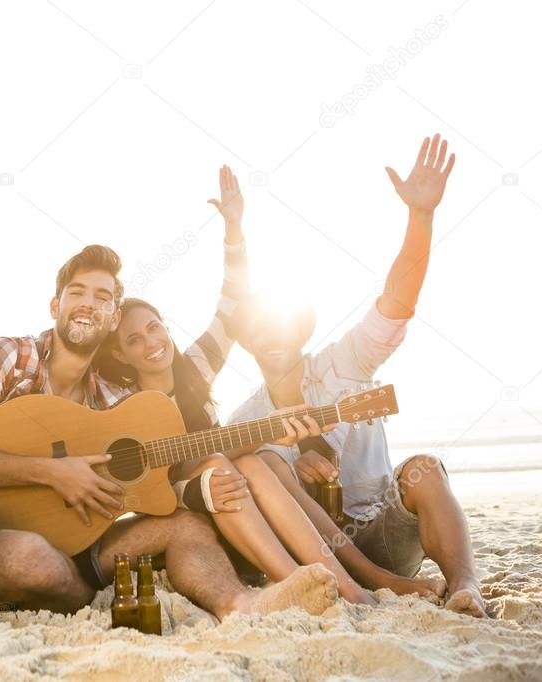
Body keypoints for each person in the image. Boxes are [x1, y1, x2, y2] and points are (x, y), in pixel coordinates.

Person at [0, 238, 343, 620]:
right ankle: (86, 596)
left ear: (112, 316)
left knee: (188, 527)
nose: (89, 304)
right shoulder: (9, 357)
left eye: (102, 298)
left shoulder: (114, 400)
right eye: (77, 293)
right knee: (32, 560)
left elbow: (171, 462)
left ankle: (241, 604)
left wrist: (266, 432)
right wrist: (49, 472)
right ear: (55, 306)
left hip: (89, 546)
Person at [93, 166, 440, 604]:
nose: (152, 344)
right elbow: (148, 477)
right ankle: (311, 580)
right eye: (134, 340)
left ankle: (340, 584)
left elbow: (232, 301)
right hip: (184, 500)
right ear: (121, 354)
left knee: (262, 463)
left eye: (155, 328)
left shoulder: (194, 367)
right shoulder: (120, 404)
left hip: (224, 492)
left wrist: (234, 231)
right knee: (225, 464)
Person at [230, 134, 488, 617]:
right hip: (316, 553)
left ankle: (465, 585)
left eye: (280, 322)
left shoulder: (345, 362)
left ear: (300, 327)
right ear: (244, 339)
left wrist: (421, 218)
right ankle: (363, 585)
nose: (272, 334)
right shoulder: (248, 415)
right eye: (257, 328)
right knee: (265, 464)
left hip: (382, 530)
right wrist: (292, 472)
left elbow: (397, 301)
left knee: (426, 468)